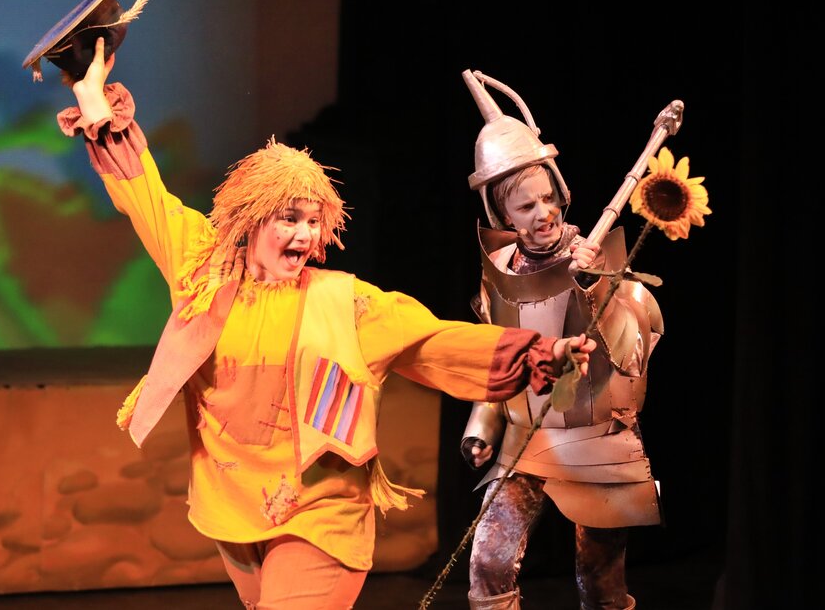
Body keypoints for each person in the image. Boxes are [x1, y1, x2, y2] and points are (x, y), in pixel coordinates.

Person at [54, 39, 595, 610]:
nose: (305, 234)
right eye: (289, 219)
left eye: (313, 221)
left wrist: (543, 353)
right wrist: (94, 102)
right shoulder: (203, 272)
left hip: (322, 513)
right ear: (250, 219)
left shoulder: (345, 302)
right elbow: (148, 200)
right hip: (234, 509)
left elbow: (438, 341)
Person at [458, 70, 664, 610]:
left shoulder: (596, 256)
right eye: (526, 207)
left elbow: (631, 355)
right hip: (524, 440)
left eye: (548, 198)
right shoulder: (500, 270)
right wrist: (483, 426)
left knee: (599, 579)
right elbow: (497, 357)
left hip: (598, 441)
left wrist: (599, 287)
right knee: (489, 562)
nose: (544, 213)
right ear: (502, 214)